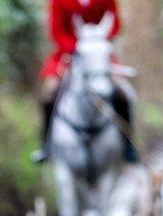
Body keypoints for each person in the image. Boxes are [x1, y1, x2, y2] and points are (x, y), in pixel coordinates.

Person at [32, 0, 137, 165]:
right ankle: (46, 146)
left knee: (123, 92)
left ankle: (128, 145)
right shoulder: (59, 2)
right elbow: (56, 31)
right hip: (68, 55)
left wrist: (98, 40)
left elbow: (116, 24)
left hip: (99, 55)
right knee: (49, 94)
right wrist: (76, 47)